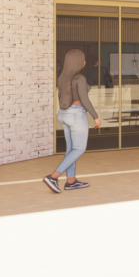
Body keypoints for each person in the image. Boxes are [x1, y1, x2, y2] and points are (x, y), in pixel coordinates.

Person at [44, 48, 101, 193]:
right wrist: (95, 117)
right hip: (76, 114)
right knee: (79, 149)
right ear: (80, 62)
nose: (85, 62)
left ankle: (71, 181)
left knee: (71, 150)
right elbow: (84, 99)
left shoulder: (62, 77)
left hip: (64, 114)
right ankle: (53, 177)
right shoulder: (79, 78)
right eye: (83, 59)